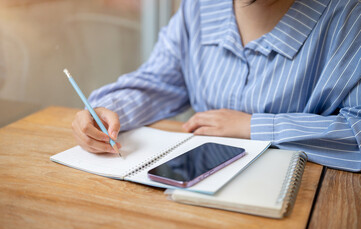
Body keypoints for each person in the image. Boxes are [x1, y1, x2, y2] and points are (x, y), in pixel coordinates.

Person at [72, 0, 361, 172]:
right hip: (201, 185)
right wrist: (107, 112)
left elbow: (356, 129)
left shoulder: (349, 16)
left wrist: (255, 127)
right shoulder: (199, 7)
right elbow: (160, 80)